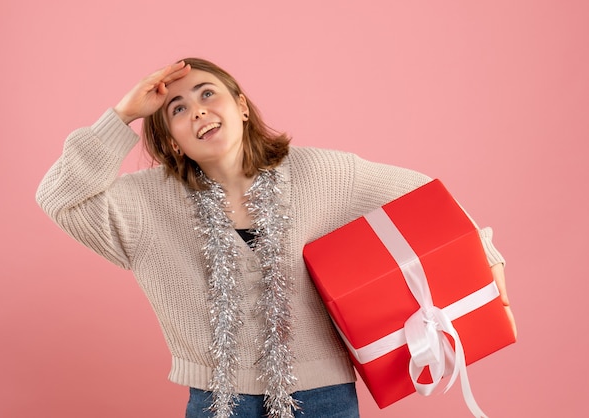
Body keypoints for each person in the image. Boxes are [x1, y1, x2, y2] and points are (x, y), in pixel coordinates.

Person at [36, 58, 515, 418]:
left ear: (241, 106)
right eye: (177, 109)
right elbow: (58, 196)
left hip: (323, 396)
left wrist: (486, 256)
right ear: (171, 139)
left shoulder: (322, 173)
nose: (197, 111)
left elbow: (427, 198)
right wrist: (122, 115)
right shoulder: (142, 204)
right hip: (215, 402)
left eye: (207, 94)